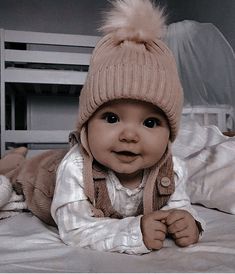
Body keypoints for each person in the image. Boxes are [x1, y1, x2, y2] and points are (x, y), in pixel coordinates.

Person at [50, 0, 205, 255]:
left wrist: (188, 222)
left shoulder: (172, 170)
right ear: (86, 125)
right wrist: (133, 232)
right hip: (42, 179)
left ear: (170, 134)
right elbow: (74, 228)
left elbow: (177, 206)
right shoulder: (75, 168)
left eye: (150, 122)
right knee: (22, 179)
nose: (130, 135)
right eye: (111, 118)